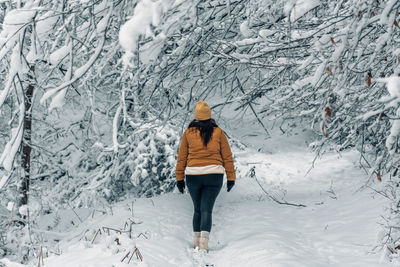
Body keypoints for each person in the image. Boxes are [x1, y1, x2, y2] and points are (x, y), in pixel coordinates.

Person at [175, 100, 236, 252]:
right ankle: (203, 245)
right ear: (209, 116)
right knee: (207, 210)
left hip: (193, 176)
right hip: (214, 175)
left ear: (196, 116)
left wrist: (179, 179)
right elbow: (227, 156)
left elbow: (181, 158)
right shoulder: (218, 132)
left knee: (197, 210)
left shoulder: (188, 133)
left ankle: (196, 243)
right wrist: (231, 177)